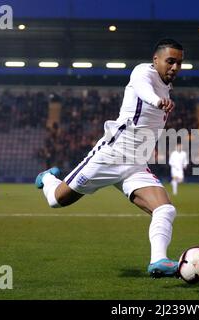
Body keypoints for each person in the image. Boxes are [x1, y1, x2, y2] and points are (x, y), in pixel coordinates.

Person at [35, 38, 184, 278]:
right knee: (56, 200)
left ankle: (158, 261)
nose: (175, 67)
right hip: (110, 156)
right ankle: (48, 179)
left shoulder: (166, 85)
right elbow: (144, 91)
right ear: (155, 59)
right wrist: (158, 101)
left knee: (165, 209)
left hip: (136, 165)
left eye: (179, 63)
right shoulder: (142, 73)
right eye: (170, 61)